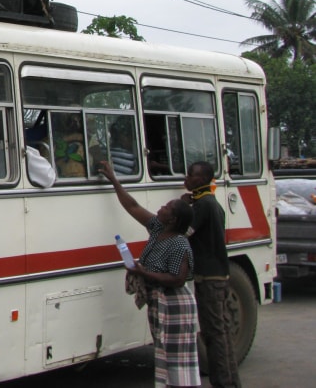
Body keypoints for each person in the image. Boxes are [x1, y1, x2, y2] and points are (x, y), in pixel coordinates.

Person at [98, 161, 199, 388]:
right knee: (163, 352)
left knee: (177, 358)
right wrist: (114, 180)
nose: (160, 208)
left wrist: (143, 272)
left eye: (165, 207)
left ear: (172, 219)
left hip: (175, 304)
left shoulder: (179, 243)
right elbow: (132, 206)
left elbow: (178, 279)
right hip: (158, 301)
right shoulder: (157, 228)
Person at [183, 161, 241, 388]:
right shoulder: (210, 202)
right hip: (218, 276)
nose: (187, 178)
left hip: (208, 278)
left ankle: (223, 382)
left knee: (213, 334)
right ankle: (232, 381)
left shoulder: (202, 205)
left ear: (202, 179)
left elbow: (185, 233)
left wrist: (182, 208)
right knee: (222, 332)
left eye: (191, 175)